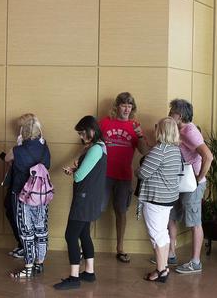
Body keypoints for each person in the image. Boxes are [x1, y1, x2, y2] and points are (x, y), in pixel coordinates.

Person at [54, 116, 107, 290]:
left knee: (70, 235)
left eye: (83, 133)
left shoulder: (94, 150)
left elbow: (80, 176)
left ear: (92, 129)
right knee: (84, 234)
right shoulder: (100, 147)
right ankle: (89, 272)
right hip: (91, 198)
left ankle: (74, 277)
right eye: (80, 134)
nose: (82, 137)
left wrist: (76, 170)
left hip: (85, 198)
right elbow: (88, 172)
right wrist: (77, 168)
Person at [99, 92, 149, 263]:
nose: (127, 109)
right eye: (123, 105)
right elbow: (93, 144)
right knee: (96, 209)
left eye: (130, 106)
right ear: (117, 106)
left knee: (121, 211)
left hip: (123, 177)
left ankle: (120, 248)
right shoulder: (105, 122)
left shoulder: (135, 125)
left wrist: (140, 135)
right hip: (104, 175)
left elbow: (144, 151)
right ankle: (85, 246)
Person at [167, 99, 213, 274]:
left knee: (194, 222)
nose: (169, 114)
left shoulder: (189, 131)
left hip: (191, 184)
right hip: (181, 182)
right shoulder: (180, 130)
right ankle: (170, 254)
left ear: (179, 115)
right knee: (172, 215)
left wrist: (199, 177)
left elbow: (208, 156)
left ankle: (195, 262)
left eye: (171, 112)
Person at [137, 117, 183, 283]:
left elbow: (142, 173)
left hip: (155, 199)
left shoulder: (160, 150)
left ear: (161, 131)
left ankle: (161, 270)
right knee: (162, 234)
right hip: (168, 199)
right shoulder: (175, 150)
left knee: (156, 235)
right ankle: (163, 269)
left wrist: (137, 169)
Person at [5, 114, 51, 279]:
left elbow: (7, 158)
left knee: (26, 231)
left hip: (23, 196)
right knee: (41, 231)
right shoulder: (45, 147)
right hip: (42, 196)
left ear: (22, 132)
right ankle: (40, 263)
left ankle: (28, 267)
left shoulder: (18, 150)